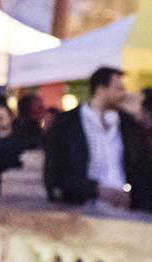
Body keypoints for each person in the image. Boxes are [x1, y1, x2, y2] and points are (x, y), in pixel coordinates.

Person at [44, 68, 146, 209]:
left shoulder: (129, 125)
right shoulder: (67, 123)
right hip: (81, 212)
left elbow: (142, 167)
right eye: (118, 89)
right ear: (100, 89)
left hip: (124, 212)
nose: (123, 94)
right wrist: (95, 190)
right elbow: (55, 174)